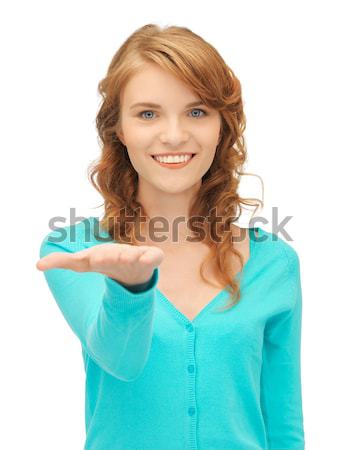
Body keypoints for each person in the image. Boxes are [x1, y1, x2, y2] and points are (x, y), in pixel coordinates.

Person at [36, 23, 305, 450]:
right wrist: (131, 288)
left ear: (222, 127)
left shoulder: (275, 263)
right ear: (119, 130)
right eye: (148, 114)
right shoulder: (75, 251)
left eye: (197, 112)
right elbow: (120, 360)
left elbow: (283, 424)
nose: (175, 135)